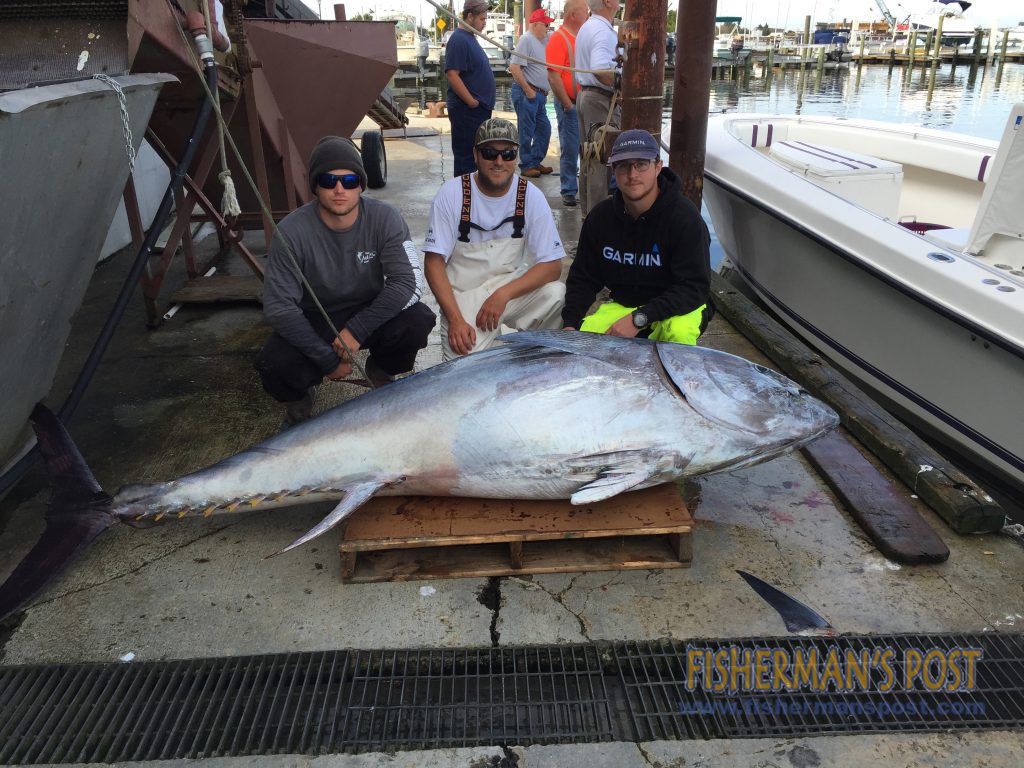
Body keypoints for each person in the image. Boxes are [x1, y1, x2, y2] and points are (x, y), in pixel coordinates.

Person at [255, 136, 437, 427]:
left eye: (350, 180)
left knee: (418, 320)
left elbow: (408, 283)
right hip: (316, 316)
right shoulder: (290, 232)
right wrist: (326, 359)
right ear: (315, 185)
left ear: (361, 184)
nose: (340, 189)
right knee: (273, 364)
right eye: (328, 180)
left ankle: (381, 370)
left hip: (368, 311)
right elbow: (279, 307)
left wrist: (357, 329)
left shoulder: (385, 218)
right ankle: (301, 395)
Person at [424, 118, 566, 360]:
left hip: (510, 289)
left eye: (508, 154)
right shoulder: (452, 194)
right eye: (490, 153)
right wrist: (456, 319)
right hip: (465, 298)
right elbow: (433, 263)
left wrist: (502, 295)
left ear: (517, 157)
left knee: (556, 294)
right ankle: (487, 345)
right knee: (465, 375)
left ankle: (534, 357)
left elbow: (552, 266)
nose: (499, 162)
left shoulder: (531, 196)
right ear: (476, 155)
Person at [561, 129, 712, 345]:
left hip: (679, 307)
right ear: (613, 171)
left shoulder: (685, 218)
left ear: (658, 166)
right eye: (624, 165)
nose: (633, 175)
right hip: (626, 303)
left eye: (641, 164)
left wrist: (639, 319)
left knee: (678, 334)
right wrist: (570, 323)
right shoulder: (600, 218)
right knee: (585, 339)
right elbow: (583, 277)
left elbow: (694, 288)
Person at [574, 0, 621, 214]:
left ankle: (589, 217)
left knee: (589, 160)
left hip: (587, 96)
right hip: (600, 100)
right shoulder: (602, 31)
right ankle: (598, 221)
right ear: (608, 2)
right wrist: (625, 85)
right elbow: (600, 68)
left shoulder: (588, 26)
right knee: (599, 165)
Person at [445, 0, 496, 177]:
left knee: (475, 157)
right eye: (482, 19)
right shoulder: (459, 39)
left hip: (476, 110)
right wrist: (472, 102)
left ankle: (472, 197)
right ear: (470, 16)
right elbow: (452, 74)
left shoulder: (470, 39)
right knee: (466, 158)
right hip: (467, 111)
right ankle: (465, 200)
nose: (484, 23)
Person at [545, 0, 587, 206]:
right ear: (572, 15)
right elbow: (553, 77)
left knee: (585, 147)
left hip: (582, 102)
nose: (588, 16)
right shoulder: (559, 39)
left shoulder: (578, 38)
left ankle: (577, 187)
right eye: (585, 13)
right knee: (570, 148)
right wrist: (568, 105)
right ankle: (569, 189)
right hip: (570, 103)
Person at [508, 8, 555, 179]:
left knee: (544, 129)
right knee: (526, 131)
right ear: (535, 25)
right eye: (546, 25)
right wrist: (528, 90)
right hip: (528, 93)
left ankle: (535, 161)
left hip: (539, 94)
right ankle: (526, 164)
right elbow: (514, 67)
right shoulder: (526, 40)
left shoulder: (544, 38)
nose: (548, 28)